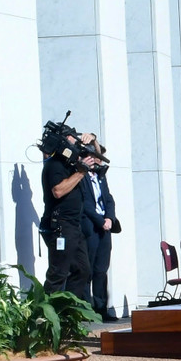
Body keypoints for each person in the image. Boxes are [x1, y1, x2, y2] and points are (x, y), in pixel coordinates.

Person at [39, 128, 92, 303]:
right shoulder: (55, 164)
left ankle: (66, 310)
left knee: (82, 270)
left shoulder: (70, 164)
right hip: (60, 226)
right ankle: (46, 313)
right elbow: (58, 191)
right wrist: (81, 173)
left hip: (74, 226)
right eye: (72, 137)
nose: (75, 141)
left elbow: (97, 153)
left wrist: (92, 138)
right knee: (58, 273)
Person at [79, 136, 119, 320]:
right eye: (94, 156)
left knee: (101, 270)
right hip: (90, 226)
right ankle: (86, 310)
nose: (97, 160)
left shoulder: (100, 176)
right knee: (87, 269)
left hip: (105, 226)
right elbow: (85, 203)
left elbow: (108, 199)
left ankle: (102, 308)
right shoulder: (81, 176)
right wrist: (99, 220)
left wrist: (109, 218)